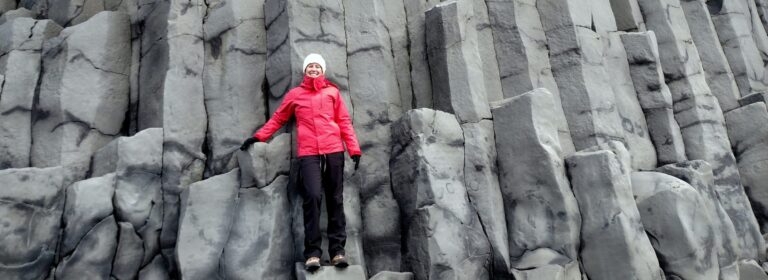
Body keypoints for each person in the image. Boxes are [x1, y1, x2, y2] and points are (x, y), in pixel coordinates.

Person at [240, 53, 362, 272]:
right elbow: (278, 118)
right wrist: (259, 136)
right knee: (312, 197)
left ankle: (337, 252)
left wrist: (353, 149)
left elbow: (343, 121)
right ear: (305, 71)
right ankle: (313, 253)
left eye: (317, 66)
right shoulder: (295, 95)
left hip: (334, 150)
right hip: (308, 154)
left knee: (335, 199)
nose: (313, 69)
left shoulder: (332, 92)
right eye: (310, 67)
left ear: (322, 70)